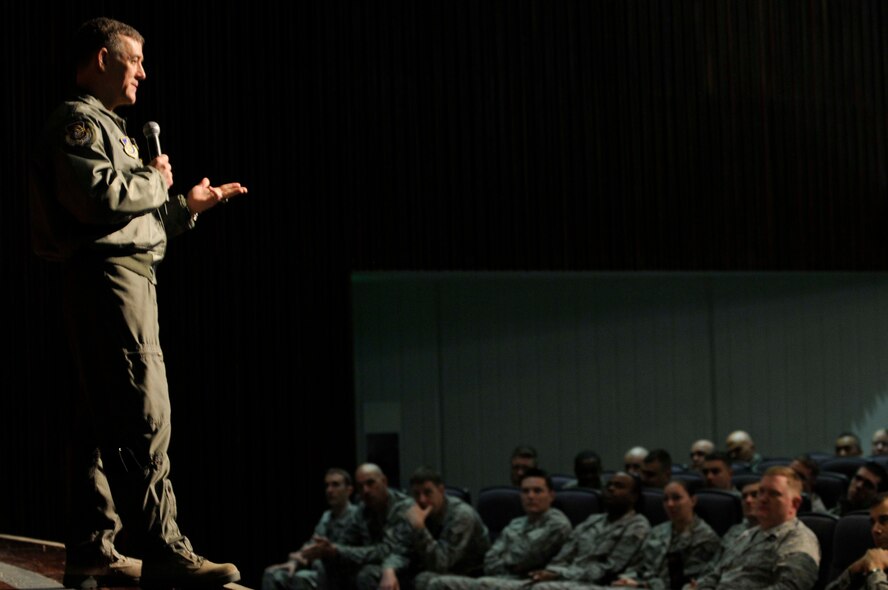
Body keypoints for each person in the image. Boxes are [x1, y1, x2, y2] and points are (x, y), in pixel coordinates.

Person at [28, 17, 248, 589]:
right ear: (102, 59)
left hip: (123, 275)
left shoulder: (110, 126)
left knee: (98, 421)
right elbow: (99, 199)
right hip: (110, 282)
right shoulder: (78, 123)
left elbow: (133, 220)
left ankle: (92, 550)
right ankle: (166, 550)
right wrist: (153, 180)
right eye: (133, 60)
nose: (142, 73)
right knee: (141, 412)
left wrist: (186, 207)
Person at [475, 471, 652, 589]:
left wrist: (557, 575)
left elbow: (607, 569)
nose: (611, 489)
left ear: (634, 496)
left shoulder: (637, 526)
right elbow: (562, 557)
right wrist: (552, 572)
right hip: (567, 581)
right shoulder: (592, 520)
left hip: (600, 584)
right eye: (609, 485)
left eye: (619, 486)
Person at [426, 468, 572, 590]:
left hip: (528, 583)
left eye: (537, 491)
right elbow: (490, 561)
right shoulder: (517, 522)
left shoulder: (557, 524)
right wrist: (507, 563)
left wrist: (506, 561)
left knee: (445, 584)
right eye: (525, 491)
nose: (530, 496)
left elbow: (523, 560)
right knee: (433, 582)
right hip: (498, 580)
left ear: (551, 496)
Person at [685, 466, 820, 590]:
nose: (762, 499)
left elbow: (789, 587)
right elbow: (716, 575)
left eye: (773, 494)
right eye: (761, 492)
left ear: (795, 503)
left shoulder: (799, 539)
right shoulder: (746, 535)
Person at [302, 463, 412, 590]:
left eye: (371, 483)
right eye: (360, 486)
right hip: (376, 564)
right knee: (330, 565)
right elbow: (346, 541)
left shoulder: (402, 507)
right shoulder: (362, 509)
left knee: (366, 574)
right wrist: (327, 549)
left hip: (401, 565)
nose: (365, 490)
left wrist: (337, 550)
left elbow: (386, 550)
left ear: (384, 482)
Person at [383, 466, 491, 590]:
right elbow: (401, 549)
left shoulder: (461, 515)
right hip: (429, 568)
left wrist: (420, 528)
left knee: (424, 579)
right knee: (372, 574)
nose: (422, 500)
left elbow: (441, 564)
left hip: (467, 575)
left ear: (441, 490)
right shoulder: (415, 510)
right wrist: (389, 569)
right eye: (416, 494)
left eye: (428, 492)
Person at [612, 478, 720, 589]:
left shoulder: (705, 538)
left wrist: (642, 585)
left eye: (676, 498)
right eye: (665, 499)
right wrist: (625, 579)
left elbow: (685, 582)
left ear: (693, 501)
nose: (670, 504)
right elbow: (639, 565)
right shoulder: (658, 531)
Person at [262, 468, 359, 590]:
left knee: (301, 579)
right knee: (272, 574)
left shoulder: (357, 516)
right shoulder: (326, 516)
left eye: (335, 485)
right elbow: (312, 544)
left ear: (349, 490)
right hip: (318, 570)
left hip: (341, 574)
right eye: (327, 485)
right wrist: (295, 561)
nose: (329, 490)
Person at [825, 492, 888, 590]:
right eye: (872, 522)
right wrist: (852, 572)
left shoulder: (875, 567)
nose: (875, 529)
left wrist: (875, 572)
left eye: (884, 520)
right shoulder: (869, 562)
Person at [716, 479, 760, 561]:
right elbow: (715, 564)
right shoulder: (734, 530)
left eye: (755, 495)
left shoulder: (773, 533)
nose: (748, 500)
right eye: (744, 497)